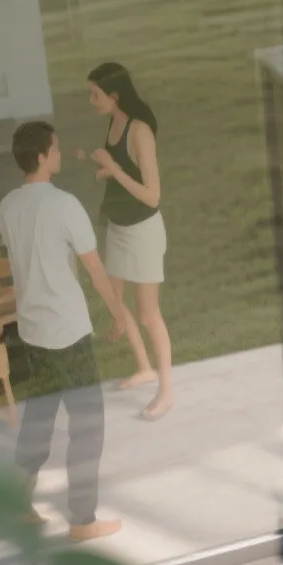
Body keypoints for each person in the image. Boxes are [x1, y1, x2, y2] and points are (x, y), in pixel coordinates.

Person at [0, 121, 130, 542]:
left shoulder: (7, 207)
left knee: (39, 414)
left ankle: (18, 504)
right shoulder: (65, 205)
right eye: (55, 149)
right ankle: (82, 519)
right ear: (42, 156)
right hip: (68, 330)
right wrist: (118, 313)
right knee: (87, 423)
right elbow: (95, 270)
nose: (59, 154)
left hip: (33, 328)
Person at [85, 62, 173, 421]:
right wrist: (108, 169)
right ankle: (144, 367)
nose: (91, 101)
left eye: (95, 94)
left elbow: (153, 196)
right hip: (118, 228)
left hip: (142, 232)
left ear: (115, 96)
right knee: (114, 300)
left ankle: (166, 391)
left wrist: (114, 170)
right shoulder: (114, 121)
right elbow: (124, 171)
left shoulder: (139, 133)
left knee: (148, 314)